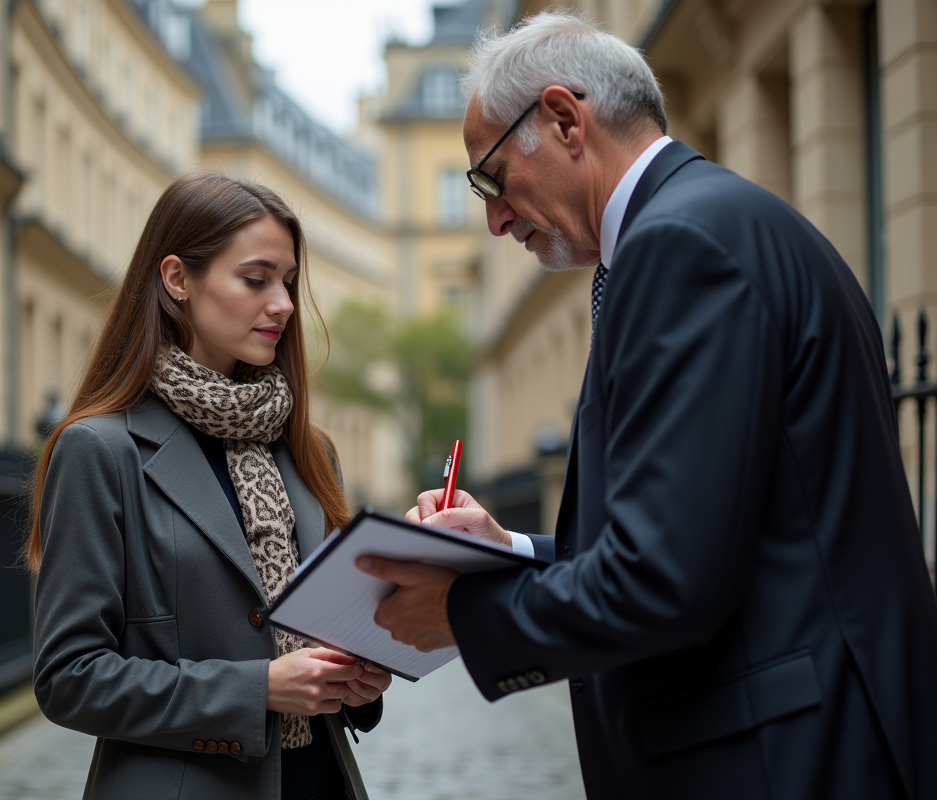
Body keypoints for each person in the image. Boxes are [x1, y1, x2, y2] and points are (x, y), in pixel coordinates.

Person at [358, 11, 937, 800]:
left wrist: (464, 609)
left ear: (564, 120)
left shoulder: (680, 245)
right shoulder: (712, 221)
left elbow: (665, 580)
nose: (493, 219)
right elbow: (708, 540)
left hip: (779, 762)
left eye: (489, 178)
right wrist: (512, 553)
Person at [28, 173, 390, 800]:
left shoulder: (311, 450)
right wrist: (258, 689)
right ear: (177, 280)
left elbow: (327, 638)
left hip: (318, 782)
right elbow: (69, 677)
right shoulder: (100, 449)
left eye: (288, 282)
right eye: (256, 279)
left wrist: (357, 673)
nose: (281, 303)